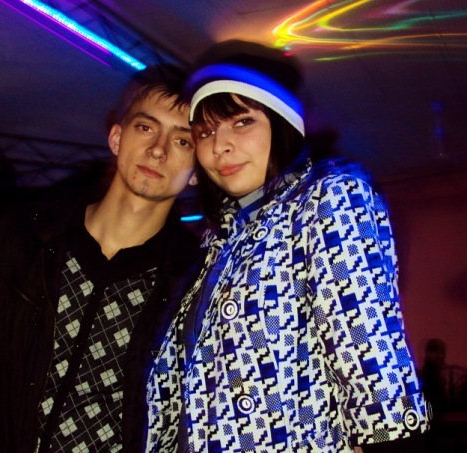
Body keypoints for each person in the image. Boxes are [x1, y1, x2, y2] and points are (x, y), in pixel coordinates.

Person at [145, 40, 430, 452]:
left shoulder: (329, 197)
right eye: (205, 131)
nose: (219, 144)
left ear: (282, 123)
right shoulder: (218, 239)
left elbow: (370, 359)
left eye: (241, 121)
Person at [0, 64, 203, 452]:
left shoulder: (194, 281)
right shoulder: (18, 234)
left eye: (182, 141)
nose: (158, 149)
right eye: (145, 127)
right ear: (117, 137)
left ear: (197, 171)